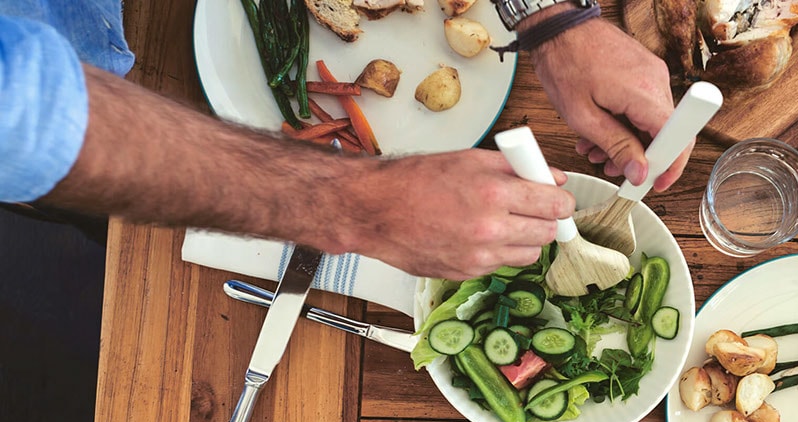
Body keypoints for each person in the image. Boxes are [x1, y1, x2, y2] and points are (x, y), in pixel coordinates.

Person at [0, 0, 687, 280]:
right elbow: (32, 117)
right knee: (126, 256)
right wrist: (360, 205)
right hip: (87, 114)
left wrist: (547, 18)